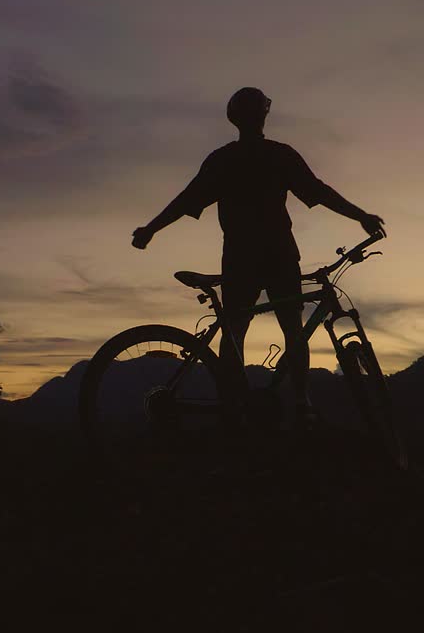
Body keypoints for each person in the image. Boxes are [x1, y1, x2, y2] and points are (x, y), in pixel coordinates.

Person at [131, 87, 384, 426]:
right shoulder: (279, 155)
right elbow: (318, 191)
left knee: (235, 331)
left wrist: (151, 229)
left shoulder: (223, 159)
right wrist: (361, 216)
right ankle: (301, 404)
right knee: (291, 328)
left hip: (240, 255)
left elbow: (186, 199)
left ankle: (234, 408)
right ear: (264, 114)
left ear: (234, 118)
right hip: (277, 251)